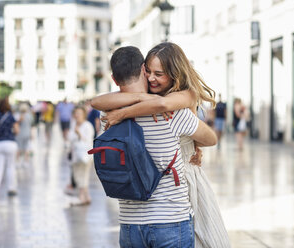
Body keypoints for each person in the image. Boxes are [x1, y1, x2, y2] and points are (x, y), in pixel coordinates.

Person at [93, 44, 229, 247]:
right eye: (150, 72)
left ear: (113, 79)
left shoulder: (108, 114)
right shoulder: (174, 112)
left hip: (130, 226)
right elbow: (211, 138)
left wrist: (126, 110)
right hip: (170, 220)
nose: (152, 78)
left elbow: (95, 101)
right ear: (142, 70)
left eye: (159, 73)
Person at [68, 106, 94, 206]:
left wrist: (79, 134)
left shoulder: (87, 125)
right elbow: (70, 138)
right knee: (77, 175)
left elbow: (88, 141)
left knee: (82, 175)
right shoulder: (73, 125)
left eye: (79, 113)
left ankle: (81, 196)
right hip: (75, 155)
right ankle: (87, 197)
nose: (77, 115)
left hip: (85, 155)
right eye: (76, 113)